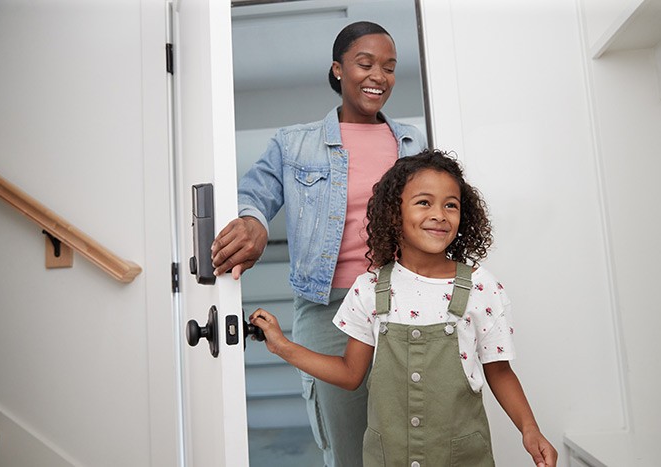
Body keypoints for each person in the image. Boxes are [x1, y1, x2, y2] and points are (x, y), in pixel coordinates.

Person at [248, 149, 558, 467]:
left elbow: (500, 372)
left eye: (451, 205)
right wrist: (282, 346)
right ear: (395, 214)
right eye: (424, 202)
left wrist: (529, 429)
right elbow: (349, 373)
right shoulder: (369, 289)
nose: (439, 214)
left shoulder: (481, 287)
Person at [211, 21, 427, 467]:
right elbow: (253, 195)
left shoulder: (412, 141)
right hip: (329, 309)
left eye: (389, 68)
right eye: (365, 63)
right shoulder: (295, 143)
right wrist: (253, 222)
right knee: (349, 450)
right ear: (338, 70)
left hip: (404, 301)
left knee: (412, 443)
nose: (378, 76)